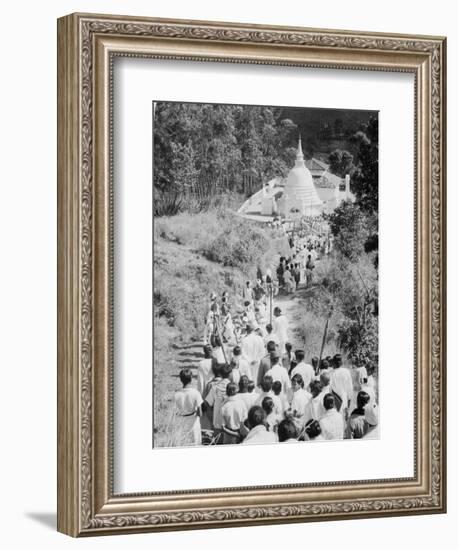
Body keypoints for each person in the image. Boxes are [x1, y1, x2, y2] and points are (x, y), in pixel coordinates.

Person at [174, 368, 203, 446]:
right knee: (195, 443)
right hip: (193, 423)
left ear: (181, 379)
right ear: (191, 379)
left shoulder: (177, 394)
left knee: (183, 443)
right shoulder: (195, 393)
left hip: (181, 422)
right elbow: (200, 413)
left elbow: (175, 412)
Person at [204, 363, 233, 442]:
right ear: (230, 374)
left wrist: (213, 419)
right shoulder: (234, 388)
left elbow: (207, 404)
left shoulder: (215, 387)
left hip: (218, 423)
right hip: (231, 423)